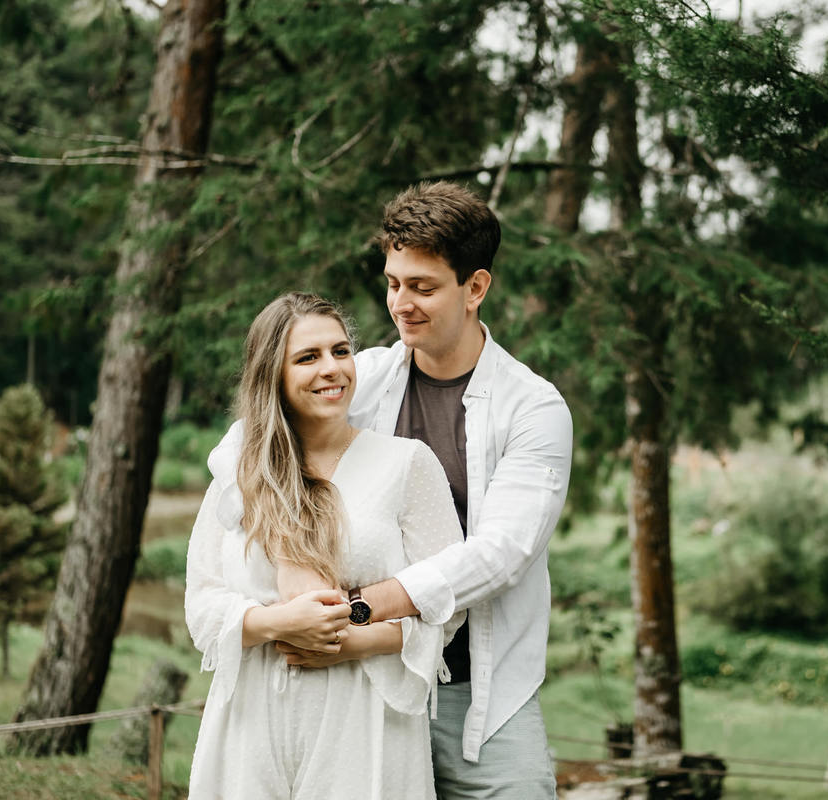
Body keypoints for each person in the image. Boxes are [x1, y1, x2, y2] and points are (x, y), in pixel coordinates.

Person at [209, 181, 573, 798]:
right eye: (393, 283)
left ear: (476, 287)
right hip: (361, 688)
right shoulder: (363, 375)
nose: (401, 303)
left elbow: (501, 553)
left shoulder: (532, 409)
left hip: (475, 697)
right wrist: (297, 575)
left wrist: (356, 613)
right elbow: (246, 449)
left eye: (423, 287)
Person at [185, 292, 465, 800]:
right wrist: (277, 623)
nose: (331, 369)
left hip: (364, 714)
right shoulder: (241, 472)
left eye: (340, 351)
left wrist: (353, 639)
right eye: (308, 357)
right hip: (252, 720)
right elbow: (201, 605)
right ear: (274, 374)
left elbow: (446, 607)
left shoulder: (406, 464)